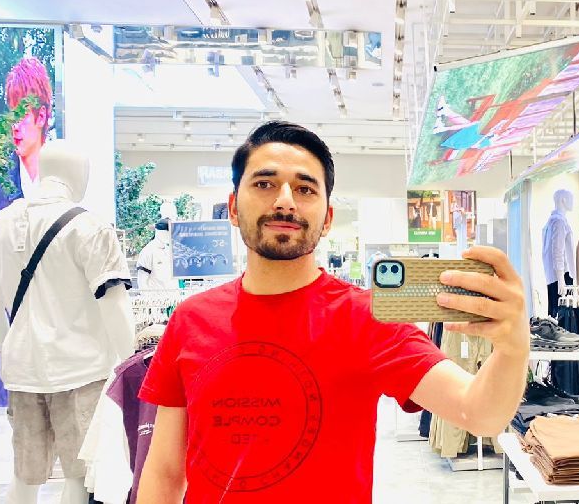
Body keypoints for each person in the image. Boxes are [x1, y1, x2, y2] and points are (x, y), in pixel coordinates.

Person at [136, 121, 529, 503]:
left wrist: (513, 346)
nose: (285, 200)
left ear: (326, 219)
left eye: (305, 189)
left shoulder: (367, 319)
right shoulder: (190, 320)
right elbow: (165, 471)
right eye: (264, 184)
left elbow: (480, 413)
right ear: (234, 208)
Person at [0, 56, 55, 407]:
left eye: (22, 114)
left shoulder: (64, 180)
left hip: (59, 335)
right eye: (10, 115)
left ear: (42, 116)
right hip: (10, 334)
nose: (14, 127)